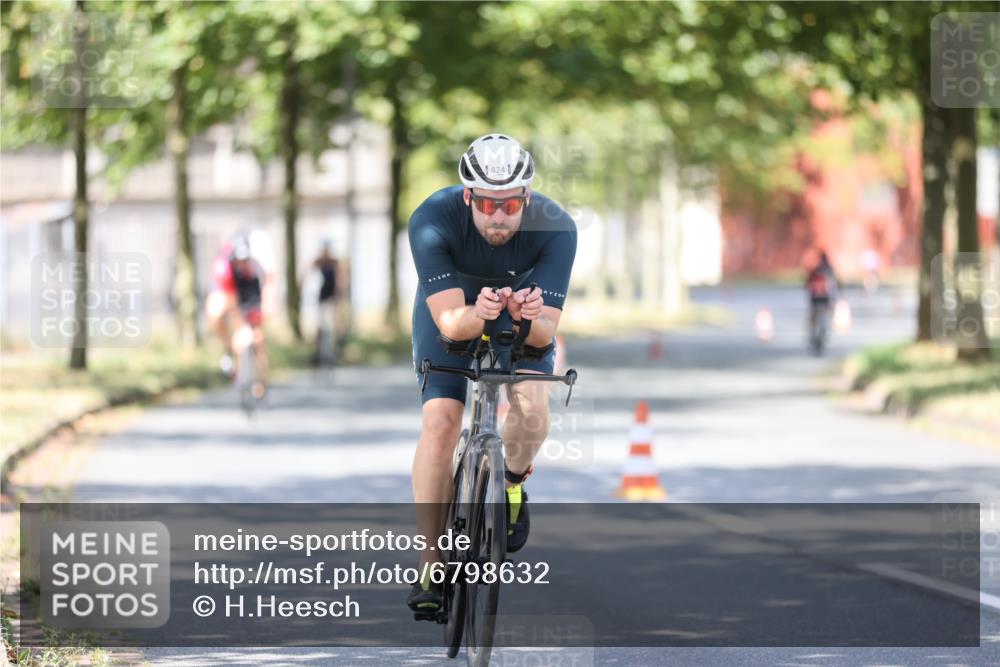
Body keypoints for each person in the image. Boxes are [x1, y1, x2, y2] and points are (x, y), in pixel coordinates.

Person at [405, 134, 577, 616]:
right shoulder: (431, 219)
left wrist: (523, 317)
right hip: (455, 313)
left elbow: (544, 334)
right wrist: (479, 313)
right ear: (468, 197)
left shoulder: (557, 228)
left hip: (522, 318)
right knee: (440, 421)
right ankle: (432, 565)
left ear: (526, 197)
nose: (498, 215)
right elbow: (448, 323)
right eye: (486, 203)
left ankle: (512, 482)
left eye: (509, 204)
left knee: (533, 408)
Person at [205, 233, 269, 398]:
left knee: (258, 339)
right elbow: (230, 301)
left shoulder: (255, 270)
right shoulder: (223, 270)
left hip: (251, 298)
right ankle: (229, 352)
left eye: (245, 260)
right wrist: (238, 325)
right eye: (239, 260)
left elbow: (263, 296)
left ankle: (260, 380)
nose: (242, 264)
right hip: (231, 299)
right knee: (217, 312)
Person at [308, 239, 344, 366]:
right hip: (322, 298)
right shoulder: (319, 262)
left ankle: (331, 354)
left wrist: (338, 298)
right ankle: (318, 353)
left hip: (331, 299)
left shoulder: (334, 263)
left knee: (330, 328)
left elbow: (339, 281)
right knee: (320, 327)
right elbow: (308, 272)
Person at [805, 250, 838, 347]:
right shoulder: (829, 269)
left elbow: (808, 282)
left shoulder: (816, 269)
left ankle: (814, 330)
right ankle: (820, 329)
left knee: (815, 314)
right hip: (824, 296)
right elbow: (834, 284)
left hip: (816, 296)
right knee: (823, 313)